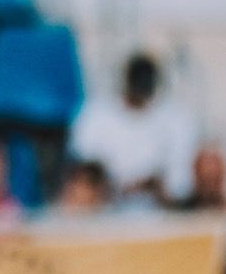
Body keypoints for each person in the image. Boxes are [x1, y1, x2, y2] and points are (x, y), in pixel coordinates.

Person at [68, 52, 199, 206]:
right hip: (104, 208)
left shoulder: (177, 119)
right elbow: (82, 172)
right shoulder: (95, 115)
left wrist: (153, 186)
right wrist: (114, 187)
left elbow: (180, 185)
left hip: (160, 210)